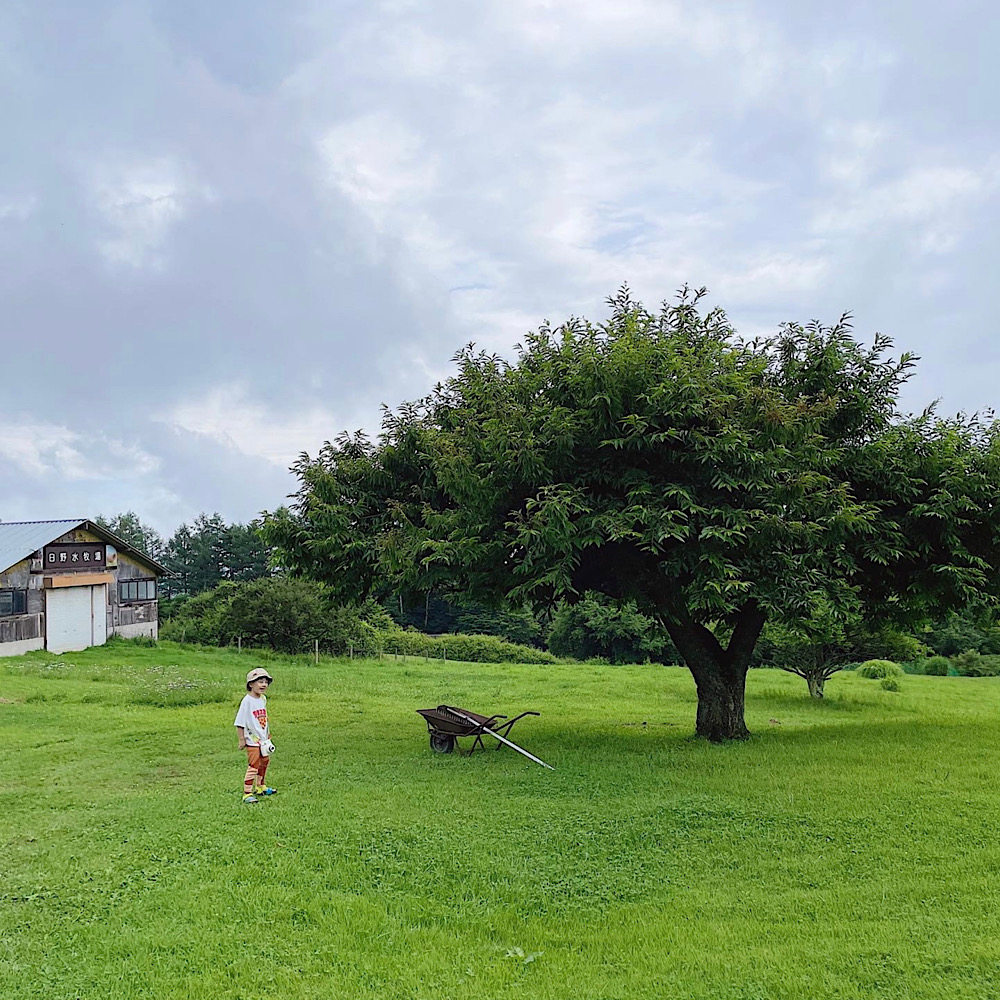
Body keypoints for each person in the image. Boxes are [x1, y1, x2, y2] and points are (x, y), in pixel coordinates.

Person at [234, 667, 277, 803]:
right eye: (260, 682)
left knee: (264, 762)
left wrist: (267, 733)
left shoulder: (262, 699)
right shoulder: (247, 701)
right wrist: (242, 739)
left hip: (263, 740)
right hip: (252, 740)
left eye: (266, 682)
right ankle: (247, 793)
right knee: (254, 764)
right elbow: (240, 722)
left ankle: (260, 786)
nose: (263, 685)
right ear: (251, 684)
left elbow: (263, 718)